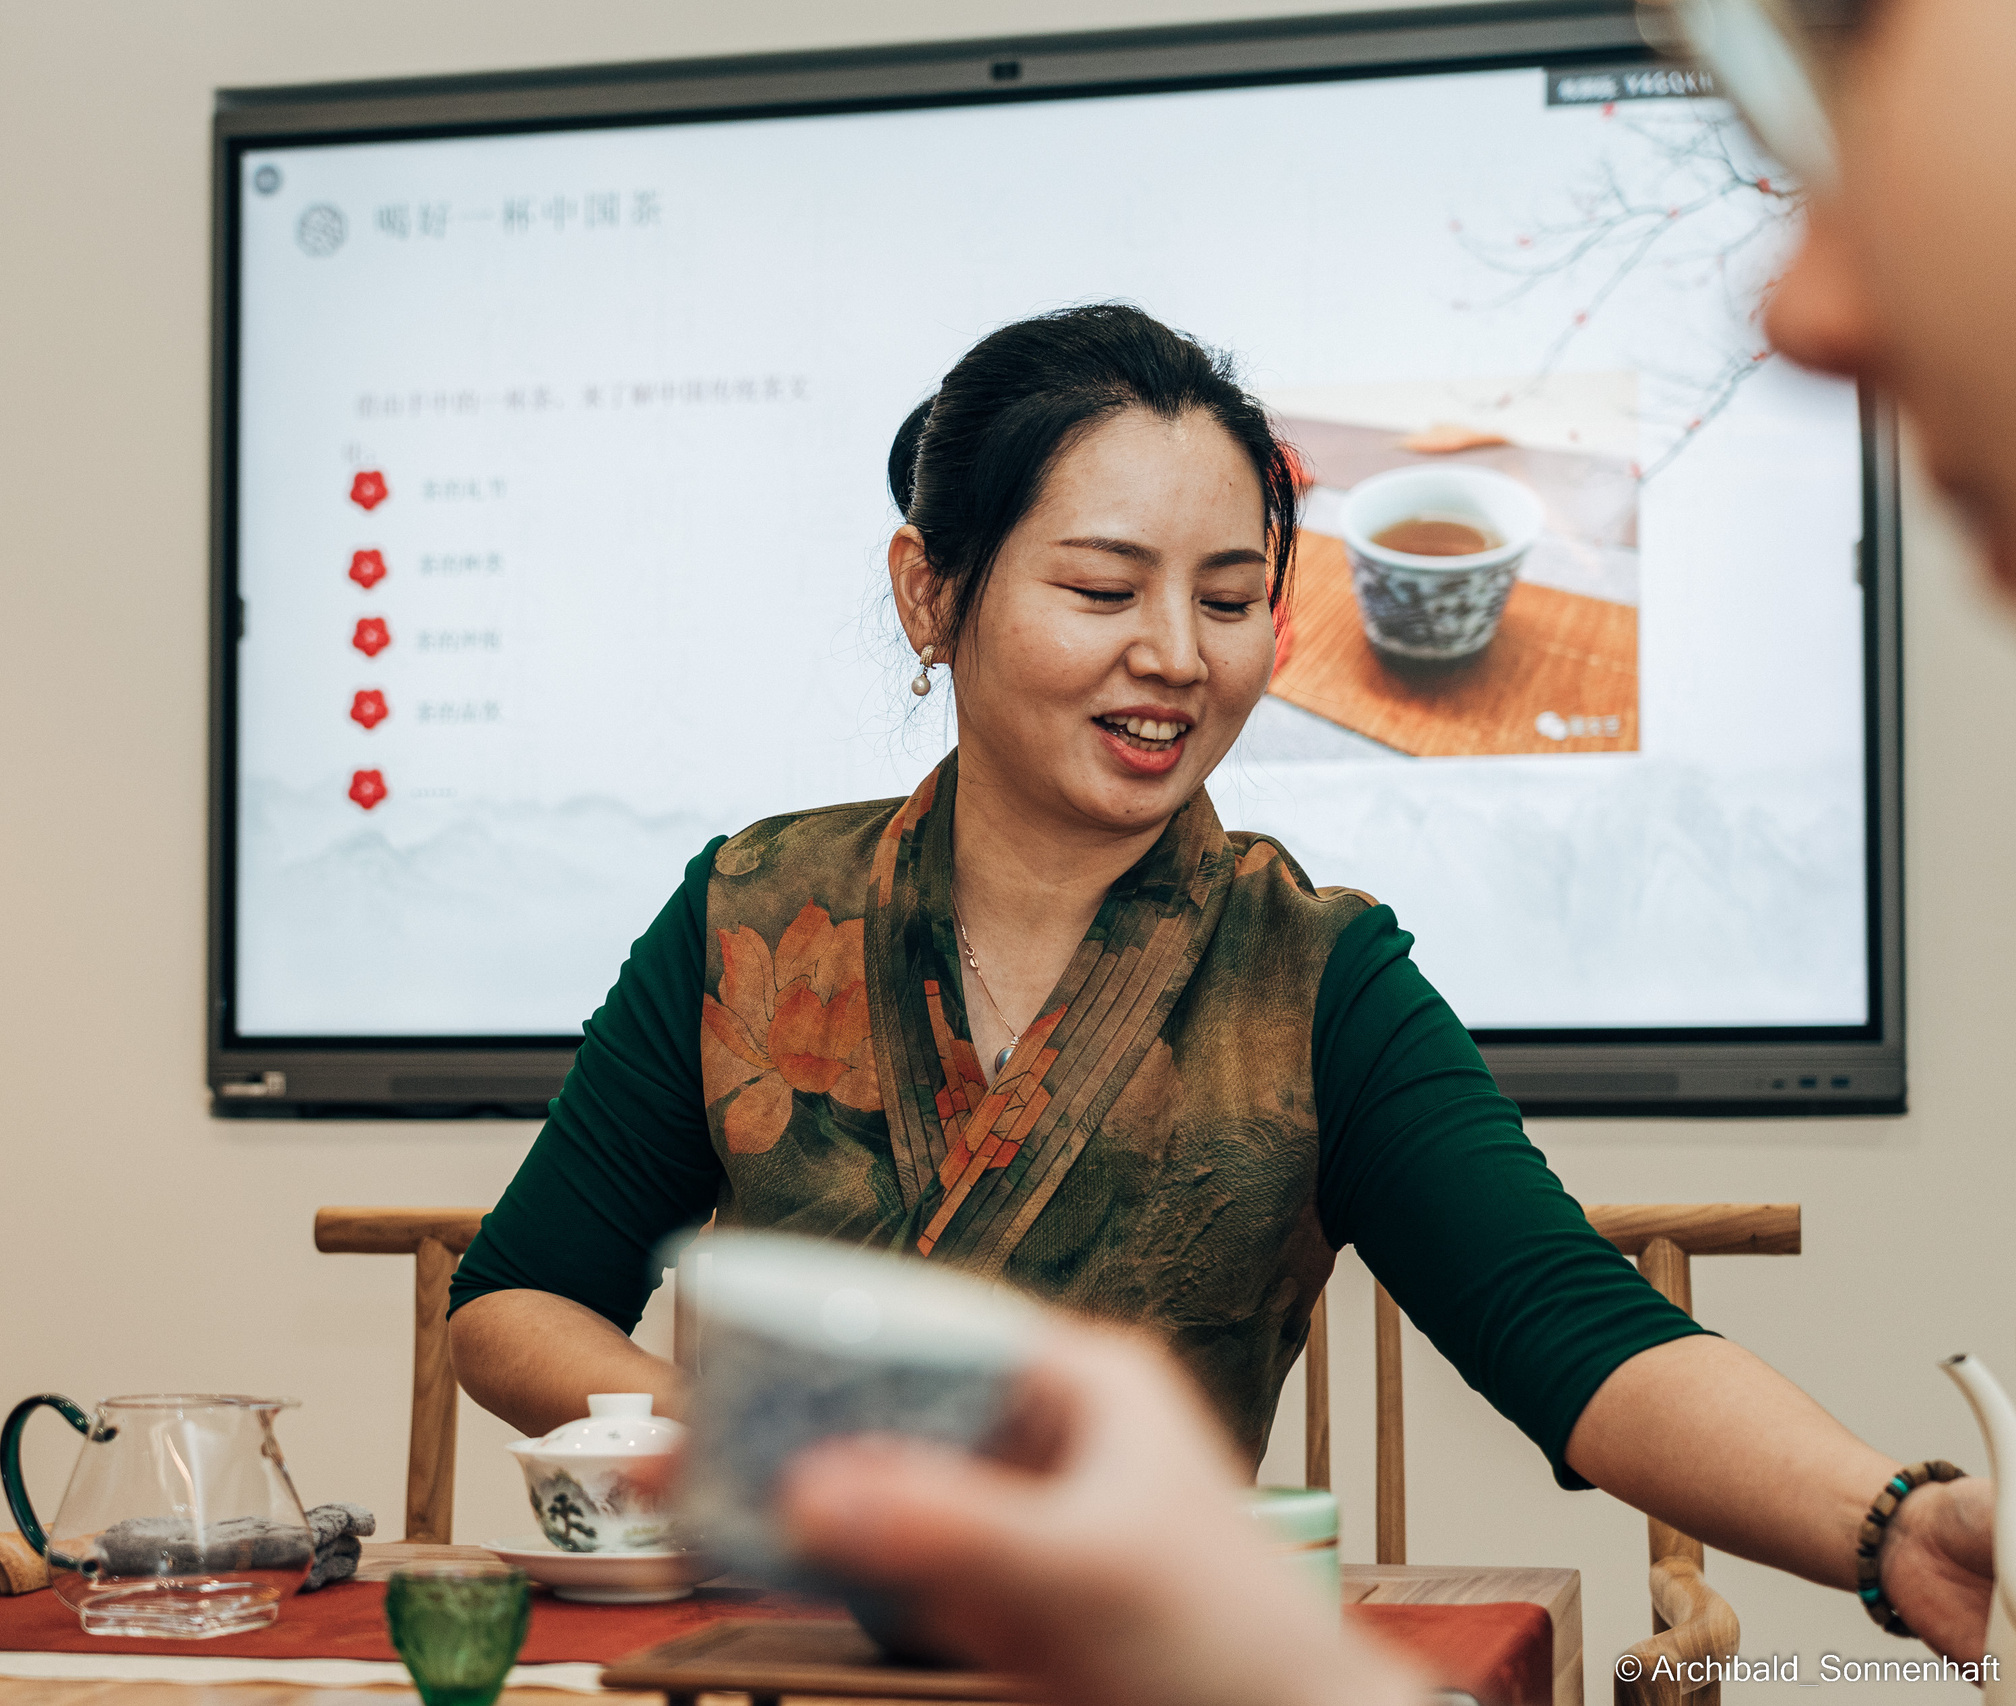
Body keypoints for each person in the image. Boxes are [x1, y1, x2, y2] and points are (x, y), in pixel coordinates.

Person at [774, 0, 2016, 1694]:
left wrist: (1897, 1524)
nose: (1178, 653)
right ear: (935, 591)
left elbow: (1576, 1331)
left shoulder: (1313, 970)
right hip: (770, 1648)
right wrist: (705, 1430)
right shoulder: (756, 908)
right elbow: (526, 1292)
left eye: (1228, 600)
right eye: (1099, 588)